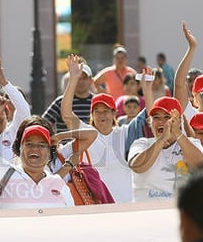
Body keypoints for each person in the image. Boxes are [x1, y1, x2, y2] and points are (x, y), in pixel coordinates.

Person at [62, 54, 157, 204]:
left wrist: (147, 91)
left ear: (114, 113)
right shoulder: (88, 134)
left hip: (126, 206)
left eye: (105, 111)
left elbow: (151, 117)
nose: (101, 115)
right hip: (96, 208)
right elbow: (66, 114)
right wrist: (73, 80)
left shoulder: (125, 132)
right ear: (92, 114)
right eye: (97, 111)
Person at [0, 111, 75, 209]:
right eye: (29, 144)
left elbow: (71, 219)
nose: (35, 149)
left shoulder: (58, 183)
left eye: (41, 145)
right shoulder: (4, 174)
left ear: (49, 152)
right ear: (20, 148)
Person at [128, 97, 203, 201]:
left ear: (178, 122)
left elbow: (201, 167)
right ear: (150, 122)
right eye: (156, 118)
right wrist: (161, 140)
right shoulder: (142, 143)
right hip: (146, 213)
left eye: (167, 117)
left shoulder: (192, 143)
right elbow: (137, 167)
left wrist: (177, 133)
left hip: (179, 213)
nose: (162, 122)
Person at [43, 59, 94, 132]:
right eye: (78, 78)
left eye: (84, 78)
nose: (81, 81)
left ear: (91, 81)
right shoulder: (61, 102)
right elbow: (44, 124)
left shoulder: (97, 102)